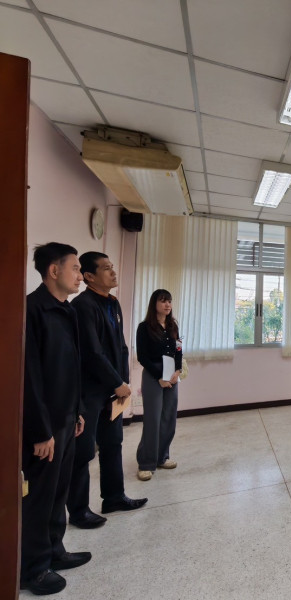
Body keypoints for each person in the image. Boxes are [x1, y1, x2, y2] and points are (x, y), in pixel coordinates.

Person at [21, 243, 91, 595]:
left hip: (66, 418)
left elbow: (72, 366)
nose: (80, 276)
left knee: (58, 491)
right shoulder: (32, 310)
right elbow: (29, 377)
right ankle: (33, 570)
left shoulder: (66, 310)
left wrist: (77, 410)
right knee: (39, 497)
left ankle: (55, 551)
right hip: (44, 427)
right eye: (75, 268)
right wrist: (40, 431)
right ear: (53, 270)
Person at [68, 252, 147, 526]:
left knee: (113, 443)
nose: (113, 272)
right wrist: (117, 382)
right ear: (89, 276)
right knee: (83, 452)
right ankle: (78, 511)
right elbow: (92, 352)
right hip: (90, 391)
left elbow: (120, 347)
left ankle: (114, 497)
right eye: (106, 268)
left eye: (112, 267)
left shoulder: (112, 303)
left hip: (114, 390)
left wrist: (123, 382)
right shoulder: (83, 306)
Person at [136, 289, 182, 481]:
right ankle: (146, 463)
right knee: (153, 420)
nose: (167, 305)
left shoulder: (173, 326)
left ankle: (162, 457)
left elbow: (178, 350)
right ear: (154, 304)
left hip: (171, 376)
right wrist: (159, 377)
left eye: (169, 301)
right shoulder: (144, 327)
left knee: (168, 418)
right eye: (163, 301)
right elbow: (142, 357)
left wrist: (178, 371)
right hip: (153, 376)